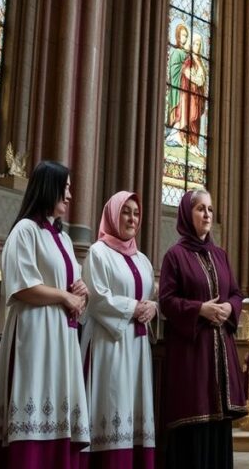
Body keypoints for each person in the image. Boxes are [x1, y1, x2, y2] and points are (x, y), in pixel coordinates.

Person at [0, 161, 91, 464]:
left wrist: (80, 290)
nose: (70, 195)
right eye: (66, 187)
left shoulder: (63, 237)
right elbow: (21, 287)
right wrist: (65, 297)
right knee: (32, 410)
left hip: (62, 335)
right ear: (49, 187)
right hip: (35, 333)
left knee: (58, 414)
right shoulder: (25, 231)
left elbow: (70, 286)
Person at [158, 189, 247, 468]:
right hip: (192, 355)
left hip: (220, 353)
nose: (207, 214)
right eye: (200, 209)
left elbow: (235, 292)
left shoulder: (220, 255)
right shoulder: (175, 256)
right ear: (187, 213)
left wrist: (231, 308)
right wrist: (200, 309)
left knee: (218, 423)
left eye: (209, 209)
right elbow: (167, 301)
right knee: (194, 422)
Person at [81, 191, 159, 467]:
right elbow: (97, 298)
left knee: (134, 409)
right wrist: (135, 307)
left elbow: (151, 296)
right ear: (113, 215)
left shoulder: (143, 260)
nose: (132, 218)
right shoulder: (98, 253)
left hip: (137, 347)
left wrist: (152, 308)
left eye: (136, 213)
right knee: (112, 405)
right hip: (109, 344)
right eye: (126, 211)